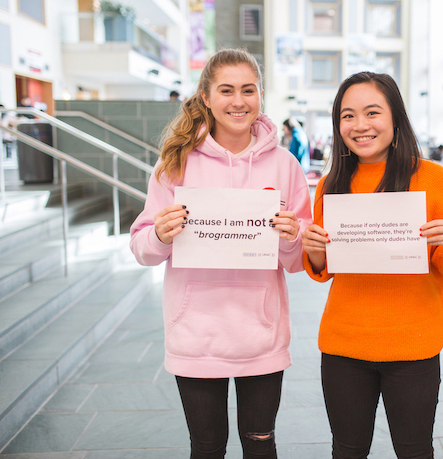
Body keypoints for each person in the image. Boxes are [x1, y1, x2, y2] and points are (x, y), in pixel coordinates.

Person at [129, 48, 312, 459]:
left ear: (260, 94)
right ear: (206, 97)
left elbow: (299, 260)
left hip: (261, 336)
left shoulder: (285, 165)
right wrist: (159, 235)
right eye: (226, 90)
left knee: (260, 446)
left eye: (249, 90)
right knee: (207, 447)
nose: (238, 101)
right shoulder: (175, 162)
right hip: (195, 335)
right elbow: (142, 249)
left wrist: (291, 237)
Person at [301, 72, 443, 459]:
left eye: (372, 112)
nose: (360, 125)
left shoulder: (432, 177)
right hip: (345, 342)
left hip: (414, 342)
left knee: (414, 450)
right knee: (347, 450)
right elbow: (324, 267)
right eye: (348, 115)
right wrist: (313, 249)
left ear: (395, 118)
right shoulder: (331, 183)